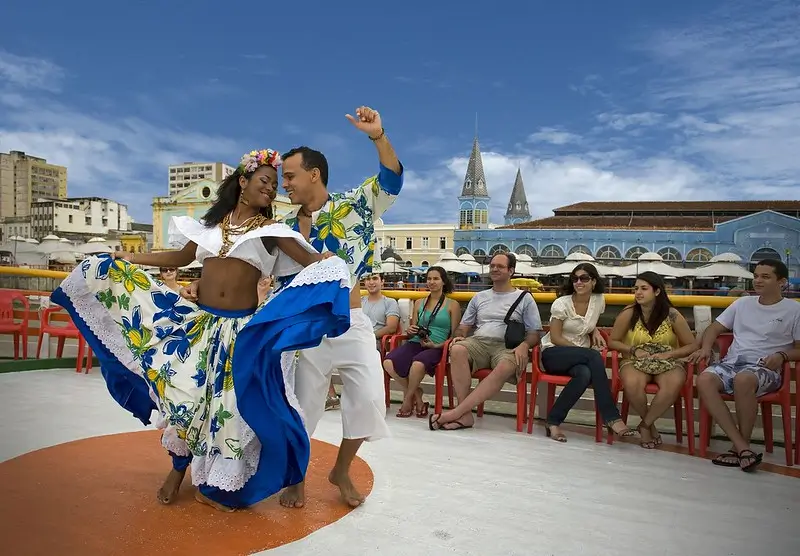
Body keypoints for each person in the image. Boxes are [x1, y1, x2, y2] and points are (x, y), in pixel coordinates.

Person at [51, 148, 351, 512]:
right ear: (243, 181)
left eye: (275, 186)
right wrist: (130, 258)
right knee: (186, 400)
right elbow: (179, 259)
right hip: (200, 326)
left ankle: (223, 484)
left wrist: (330, 263)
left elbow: (310, 261)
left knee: (227, 411)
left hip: (239, 334)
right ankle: (178, 469)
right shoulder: (213, 226)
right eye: (265, 182)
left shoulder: (273, 232)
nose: (271, 190)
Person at [281, 106, 402, 508]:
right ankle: (296, 476)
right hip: (305, 326)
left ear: (314, 173)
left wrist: (377, 135)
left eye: (291, 175)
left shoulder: (357, 204)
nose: (286, 184)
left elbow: (392, 178)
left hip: (351, 321)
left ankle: (341, 469)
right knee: (303, 407)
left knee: (369, 398)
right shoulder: (281, 226)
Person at [690, 259, 800, 472]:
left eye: (765, 277)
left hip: (765, 368)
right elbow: (713, 328)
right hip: (732, 363)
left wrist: (782, 355)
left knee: (744, 379)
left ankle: (739, 447)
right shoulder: (742, 303)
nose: (758, 281)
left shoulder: (793, 310)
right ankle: (742, 447)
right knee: (704, 378)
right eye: (756, 276)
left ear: (782, 282)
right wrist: (705, 347)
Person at [429, 252, 541, 431]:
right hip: (479, 342)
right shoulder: (479, 297)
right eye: (492, 266)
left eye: (500, 266)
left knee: (505, 365)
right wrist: (459, 335)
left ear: (511, 271)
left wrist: (525, 345)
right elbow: (464, 326)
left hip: (507, 346)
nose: (495, 269)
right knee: (457, 349)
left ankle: (456, 413)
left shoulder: (524, 298)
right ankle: (464, 415)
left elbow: (534, 333)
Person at [540, 263, 635, 442]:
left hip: (580, 359)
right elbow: (555, 337)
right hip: (554, 353)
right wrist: (582, 350)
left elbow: (587, 323)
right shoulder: (562, 303)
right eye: (575, 279)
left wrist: (594, 330)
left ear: (593, 281)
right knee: (593, 356)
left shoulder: (599, 300)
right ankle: (612, 417)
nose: (578, 282)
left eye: (584, 278)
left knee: (584, 374)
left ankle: (553, 422)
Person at [608, 271, 697, 448]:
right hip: (634, 361)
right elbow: (612, 341)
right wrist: (633, 350)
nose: (638, 293)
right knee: (632, 382)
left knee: (673, 382)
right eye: (636, 289)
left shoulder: (672, 315)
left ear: (657, 292)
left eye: (644, 289)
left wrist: (670, 354)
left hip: (668, 362)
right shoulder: (629, 313)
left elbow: (692, 345)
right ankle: (650, 426)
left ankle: (644, 425)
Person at [383, 266, 460, 418]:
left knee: (417, 364)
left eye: (436, 279)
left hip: (438, 346)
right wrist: (411, 329)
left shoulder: (453, 305)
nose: (432, 282)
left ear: (443, 281)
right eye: (429, 279)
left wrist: (437, 345)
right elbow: (414, 325)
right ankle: (417, 396)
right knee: (388, 362)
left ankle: (407, 401)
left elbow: (455, 334)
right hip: (417, 341)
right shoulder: (419, 303)